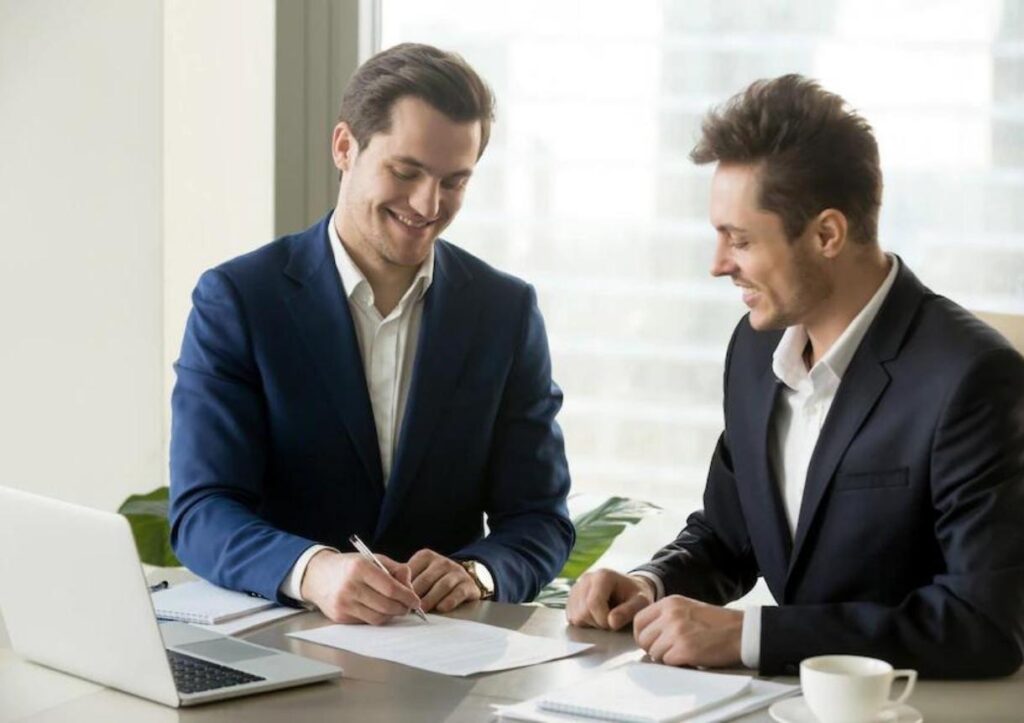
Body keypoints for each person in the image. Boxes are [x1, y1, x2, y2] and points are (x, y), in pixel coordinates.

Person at [567, 74, 1024, 678]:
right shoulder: (754, 352)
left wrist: (753, 636)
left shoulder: (973, 378)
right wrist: (650, 583)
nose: (718, 265)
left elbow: (983, 624)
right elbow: (731, 534)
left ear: (827, 234)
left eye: (741, 240)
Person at [169, 43, 573, 625]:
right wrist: (314, 571)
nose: (427, 204)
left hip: (444, 665)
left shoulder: (503, 312)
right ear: (344, 147)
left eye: (454, 182)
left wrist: (477, 573)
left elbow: (540, 518)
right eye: (405, 172)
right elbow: (202, 509)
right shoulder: (238, 299)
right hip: (281, 647)